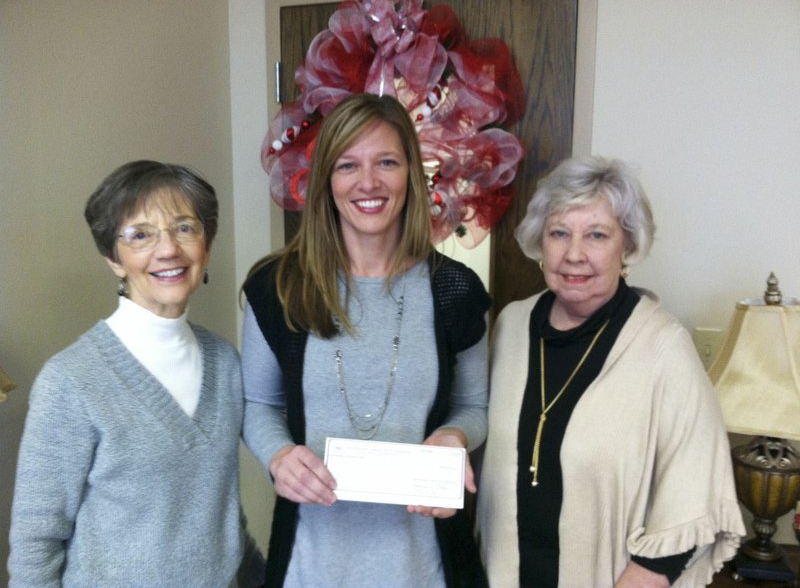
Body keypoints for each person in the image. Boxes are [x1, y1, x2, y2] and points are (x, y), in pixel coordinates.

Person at [241, 93, 490, 587]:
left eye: (387, 162)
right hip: (309, 566)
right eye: (348, 165)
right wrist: (278, 455)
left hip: (425, 567)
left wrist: (455, 437)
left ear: (411, 176)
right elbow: (257, 402)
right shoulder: (278, 286)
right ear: (326, 182)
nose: (368, 182)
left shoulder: (455, 290)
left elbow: (475, 405)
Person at [476, 156, 745, 587]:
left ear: (628, 246)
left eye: (597, 235)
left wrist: (645, 578)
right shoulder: (511, 325)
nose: (574, 254)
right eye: (559, 233)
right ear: (539, 243)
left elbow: (694, 487)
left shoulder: (661, 344)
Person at [8, 160, 264, 587]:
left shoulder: (225, 363)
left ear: (207, 245)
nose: (168, 250)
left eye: (185, 228)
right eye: (140, 235)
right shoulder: (70, 380)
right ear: (113, 258)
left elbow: (218, 510)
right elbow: (37, 543)